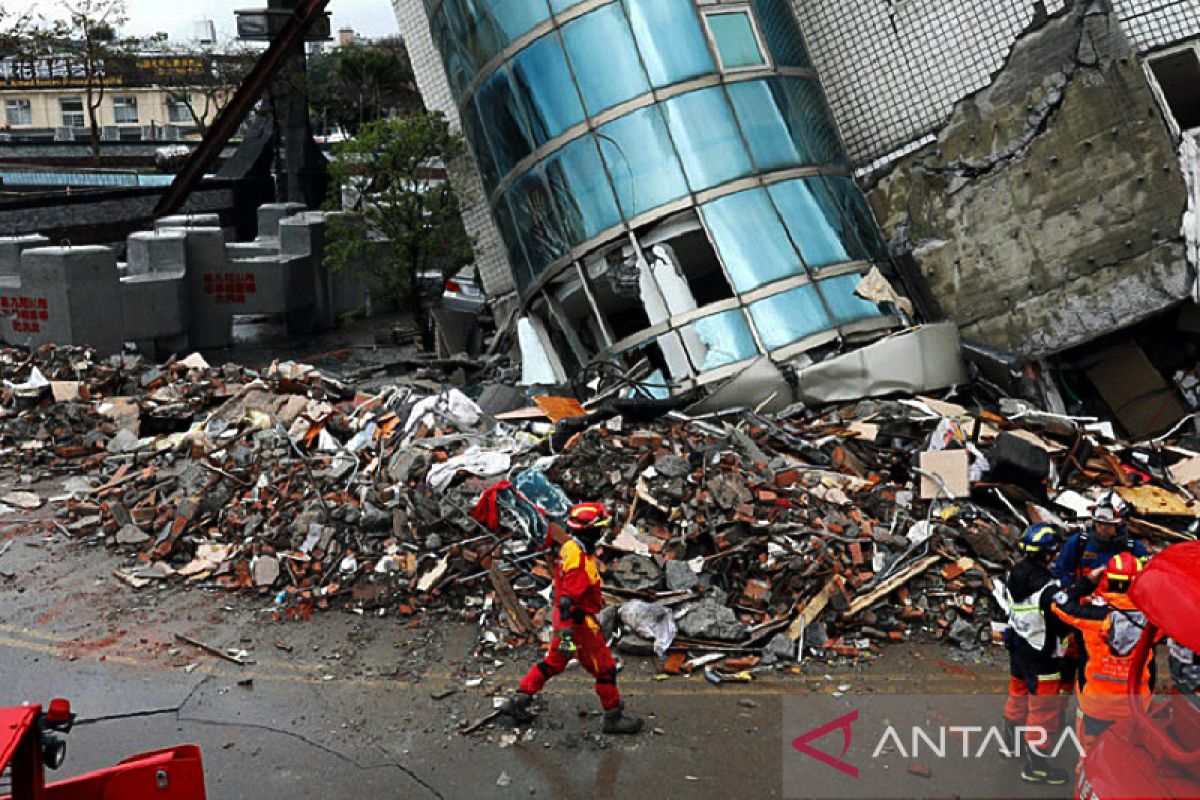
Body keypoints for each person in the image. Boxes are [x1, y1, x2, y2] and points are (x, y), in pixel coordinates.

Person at [501, 502, 644, 735]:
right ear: (591, 531)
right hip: (578, 626)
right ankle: (613, 717)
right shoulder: (578, 561)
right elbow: (569, 600)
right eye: (600, 528)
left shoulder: (570, 548)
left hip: (565, 622)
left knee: (554, 662)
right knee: (605, 668)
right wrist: (568, 633)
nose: (602, 532)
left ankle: (519, 700)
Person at [1052, 552, 1154, 771]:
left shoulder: (1093, 616)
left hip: (1096, 706)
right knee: (1129, 762)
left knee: (1090, 760)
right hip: (1135, 708)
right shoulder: (1153, 621)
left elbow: (1059, 603)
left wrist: (1088, 581)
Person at [1001, 523, 1071, 785]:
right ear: (1049, 553)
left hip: (1019, 645)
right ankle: (1036, 766)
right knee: (1044, 710)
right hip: (1042, 654)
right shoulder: (1048, 590)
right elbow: (1064, 619)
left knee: (1018, 695)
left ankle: (1011, 743)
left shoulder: (1016, 573)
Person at [1053, 491, 1148, 589]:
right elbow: (1061, 572)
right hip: (1084, 599)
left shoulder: (1133, 548)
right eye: (1097, 522)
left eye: (1106, 524)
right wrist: (1075, 588)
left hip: (1117, 601)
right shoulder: (1079, 542)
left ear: (1119, 524)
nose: (1100, 526)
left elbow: (1144, 582)